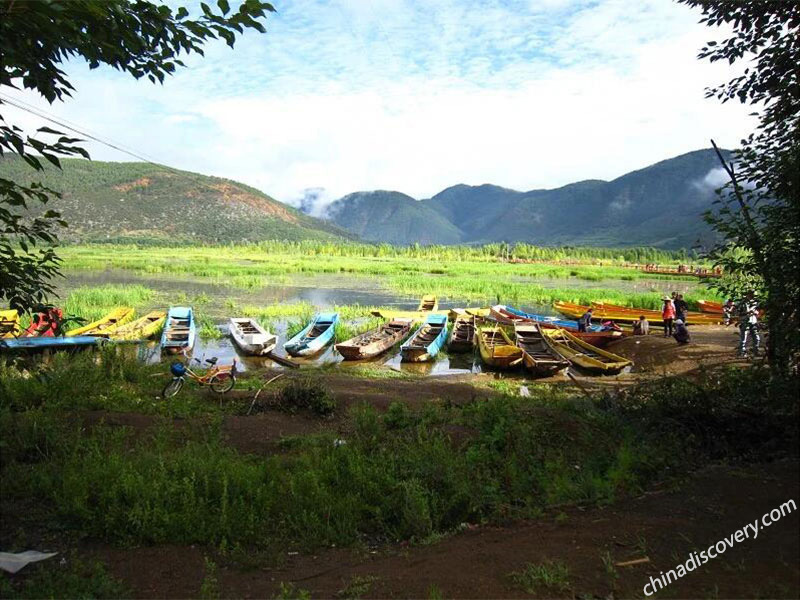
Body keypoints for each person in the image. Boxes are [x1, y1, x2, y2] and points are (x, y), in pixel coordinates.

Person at [737, 292, 760, 357]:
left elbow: (758, 311)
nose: (751, 296)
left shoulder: (755, 303)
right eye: (750, 295)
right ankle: (742, 352)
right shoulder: (742, 303)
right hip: (745, 321)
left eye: (752, 295)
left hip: (753, 321)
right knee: (743, 338)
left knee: (756, 338)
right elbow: (737, 312)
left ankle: (756, 351)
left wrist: (755, 312)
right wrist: (747, 312)